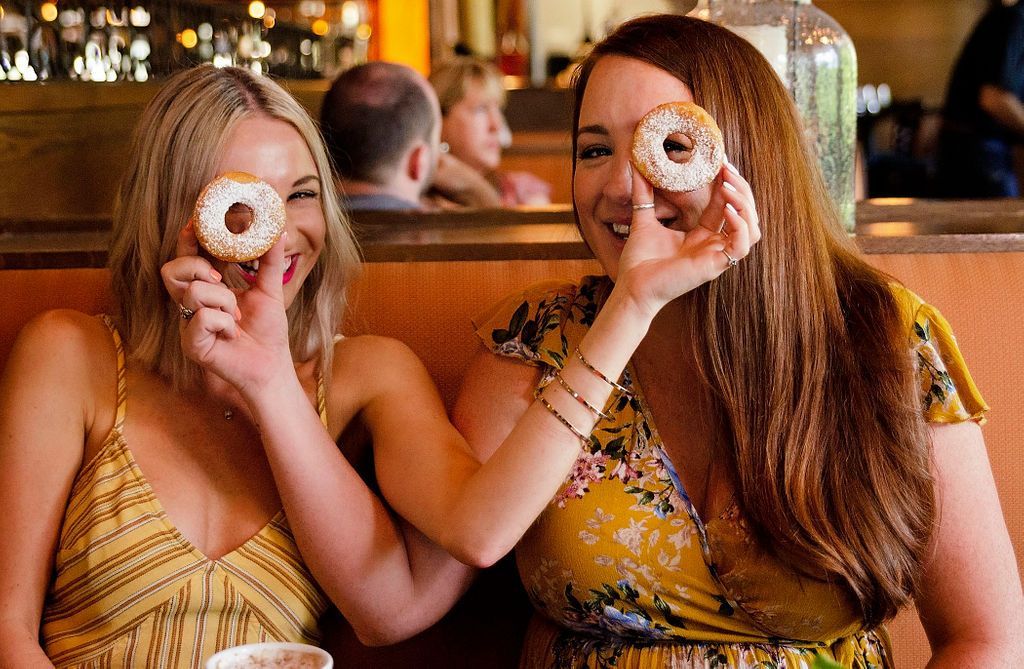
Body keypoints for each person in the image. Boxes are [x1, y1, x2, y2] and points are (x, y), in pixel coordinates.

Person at [453, 14, 1024, 668]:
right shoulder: (533, 338)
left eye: (666, 147)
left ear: (751, 157)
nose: (619, 187)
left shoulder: (884, 337)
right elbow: (461, 546)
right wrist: (634, 304)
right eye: (593, 150)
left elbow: (985, 638)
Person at [0, 64, 479, 667]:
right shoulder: (67, 354)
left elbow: (386, 613)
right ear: (175, 212)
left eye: (301, 195)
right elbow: (7, 632)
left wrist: (269, 378)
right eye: (244, 201)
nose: (279, 235)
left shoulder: (367, 375)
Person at [320, 61, 501, 212]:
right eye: (480, 109)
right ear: (418, 162)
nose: (497, 125)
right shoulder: (443, 239)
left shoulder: (301, 233)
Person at [429, 56, 553, 207]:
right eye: (481, 109)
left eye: (498, 109)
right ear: (439, 119)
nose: (496, 125)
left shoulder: (523, 192)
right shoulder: (418, 202)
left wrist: (477, 189)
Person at [936, 0, 1024, 198]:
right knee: (1001, 226)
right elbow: (993, 99)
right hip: (978, 157)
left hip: (972, 153)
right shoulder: (1017, 20)